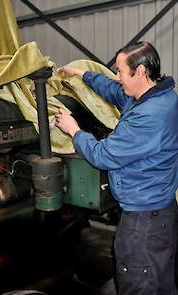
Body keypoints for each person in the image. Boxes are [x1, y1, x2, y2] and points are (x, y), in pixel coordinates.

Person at [55, 41, 178, 295]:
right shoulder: (158, 94)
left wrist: (74, 130)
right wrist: (81, 74)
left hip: (143, 222)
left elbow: (103, 155)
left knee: (137, 283)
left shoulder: (149, 116)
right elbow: (113, 90)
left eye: (121, 71)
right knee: (162, 280)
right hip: (161, 213)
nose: (118, 77)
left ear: (141, 71)